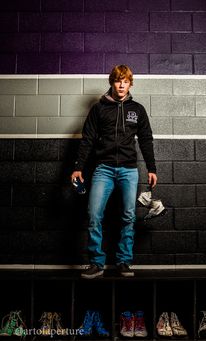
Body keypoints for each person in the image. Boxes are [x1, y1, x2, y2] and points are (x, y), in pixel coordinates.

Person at [71, 64, 157, 279]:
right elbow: (88, 139)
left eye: (125, 81)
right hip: (104, 169)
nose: (121, 84)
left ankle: (124, 261)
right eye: (118, 80)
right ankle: (96, 263)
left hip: (129, 170)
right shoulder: (98, 109)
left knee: (128, 217)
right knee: (94, 216)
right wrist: (78, 167)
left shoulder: (137, 109)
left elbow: (146, 139)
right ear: (112, 82)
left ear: (130, 83)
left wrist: (152, 168)